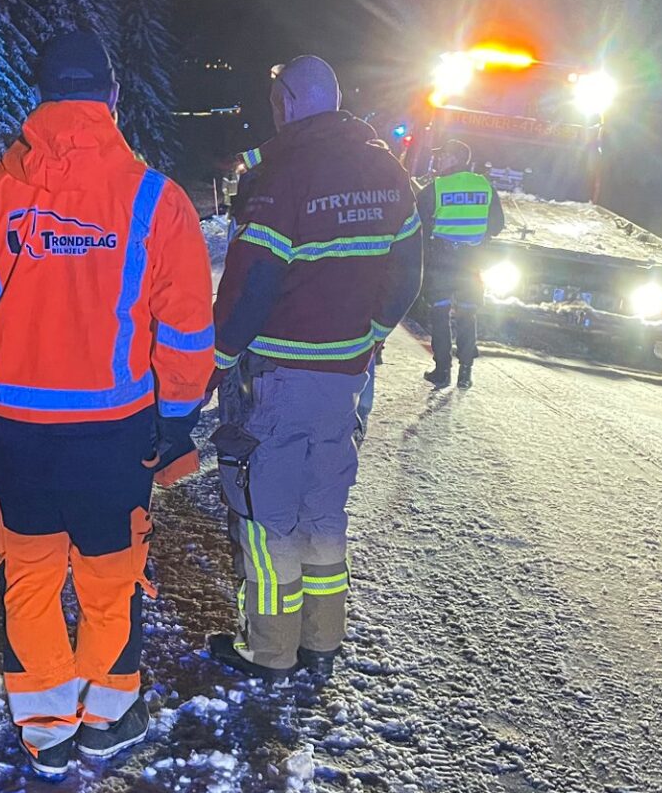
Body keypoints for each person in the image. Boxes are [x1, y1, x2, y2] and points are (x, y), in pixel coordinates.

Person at [0, 31, 215, 778]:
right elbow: (184, 331)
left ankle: (46, 729)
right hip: (115, 432)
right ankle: (107, 717)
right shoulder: (155, 200)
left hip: (13, 433)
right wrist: (173, 417)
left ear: (40, 96)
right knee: (111, 575)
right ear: (111, 96)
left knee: (32, 574)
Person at [205, 55, 422, 679]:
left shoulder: (286, 175)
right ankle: (323, 644)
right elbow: (407, 274)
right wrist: (370, 337)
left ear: (293, 103)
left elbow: (250, 287)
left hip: (279, 374)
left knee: (269, 512)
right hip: (347, 378)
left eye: (278, 103)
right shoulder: (389, 171)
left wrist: (216, 364)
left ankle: (269, 650)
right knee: (324, 510)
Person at [419, 141, 505, 389]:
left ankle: (442, 371)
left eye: (442, 156)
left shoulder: (436, 188)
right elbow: (497, 225)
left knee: (440, 314)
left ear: (455, 158)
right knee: (468, 314)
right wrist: (476, 238)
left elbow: (418, 224)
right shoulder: (484, 186)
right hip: (471, 263)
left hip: (443, 262)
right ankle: (465, 373)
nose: (438, 161)